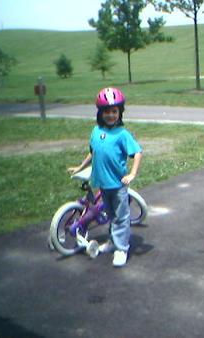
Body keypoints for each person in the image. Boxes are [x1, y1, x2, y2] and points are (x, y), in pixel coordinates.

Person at [68, 87, 142, 267]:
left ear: (120, 112)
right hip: (102, 184)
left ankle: (121, 249)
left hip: (118, 184)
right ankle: (112, 241)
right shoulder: (95, 132)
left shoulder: (122, 134)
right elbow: (93, 152)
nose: (111, 115)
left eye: (114, 111)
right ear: (100, 113)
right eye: (107, 112)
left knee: (121, 217)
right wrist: (80, 166)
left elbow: (137, 152)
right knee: (111, 215)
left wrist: (132, 173)